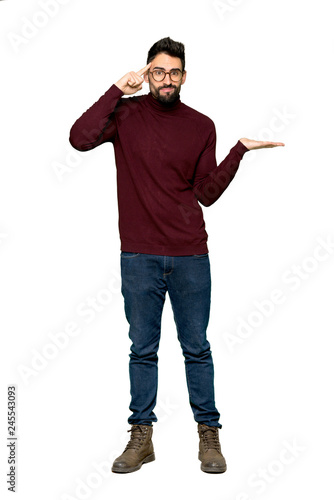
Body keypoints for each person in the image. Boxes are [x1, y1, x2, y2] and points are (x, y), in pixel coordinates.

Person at [69, 36, 284, 474]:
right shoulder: (125, 115)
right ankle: (141, 437)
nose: (166, 79)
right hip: (139, 257)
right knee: (142, 349)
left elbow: (206, 195)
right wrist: (115, 90)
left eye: (174, 72)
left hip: (190, 256)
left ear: (184, 76)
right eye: (158, 71)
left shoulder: (201, 125)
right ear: (146, 73)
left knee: (197, 349)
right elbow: (78, 139)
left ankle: (209, 435)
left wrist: (238, 151)